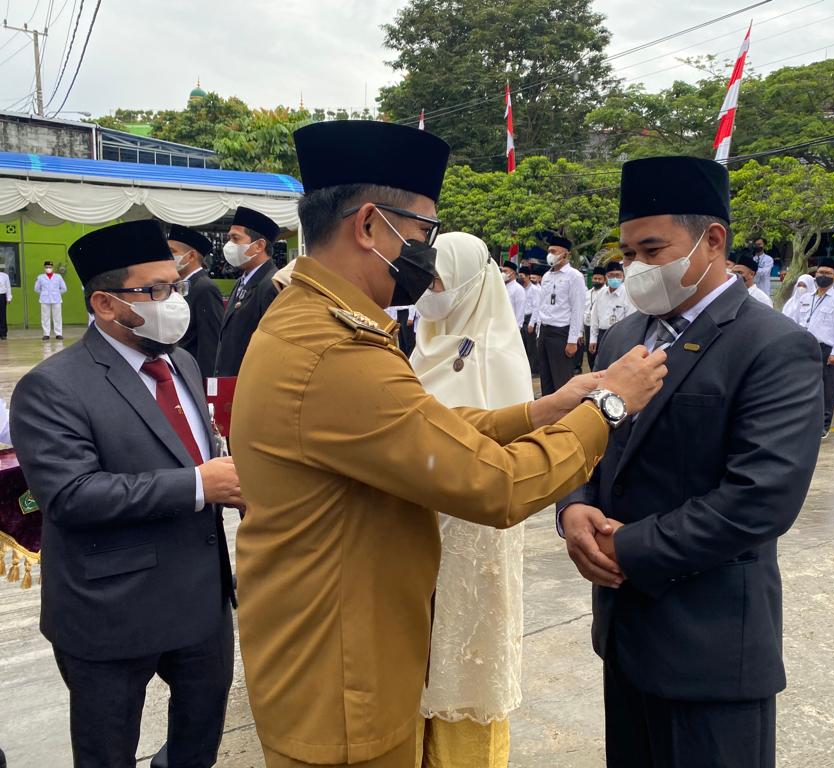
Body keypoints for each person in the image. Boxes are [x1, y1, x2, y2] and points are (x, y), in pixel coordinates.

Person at [228, 120, 667, 768]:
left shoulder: (312, 322)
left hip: (332, 654)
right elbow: (493, 483)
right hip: (344, 686)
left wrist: (543, 409)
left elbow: (423, 427)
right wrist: (609, 405)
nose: (424, 258)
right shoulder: (335, 350)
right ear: (371, 226)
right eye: (422, 233)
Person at [559, 155, 823, 768]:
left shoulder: (774, 345)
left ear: (713, 241)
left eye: (653, 250)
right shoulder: (627, 336)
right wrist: (574, 507)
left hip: (710, 644)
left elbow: (761, 497)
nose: (637, 269)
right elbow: (591, 439)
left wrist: (629, 549)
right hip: (625, 633)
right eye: (627, 254)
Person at [9, 220, 240, 768]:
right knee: (107, 753)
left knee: (197, 744)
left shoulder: (179, 361)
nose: (173, 301)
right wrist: (197, 485)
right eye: (155, 290)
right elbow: (70, 495)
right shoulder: (53, 387)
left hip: (202, 599)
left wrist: (229, 483)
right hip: (111, 608)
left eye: (175, 285)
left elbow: (190, 453)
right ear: (106, 304)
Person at [410, 232, 533, 768]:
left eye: (438, 282)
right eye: (425, 281)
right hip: (413, 527)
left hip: (471, 536)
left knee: (465, 660)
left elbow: (509, 457)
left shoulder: (496, 352)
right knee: (416, 656)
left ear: (467, 285)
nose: (429, 293)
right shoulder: (424, 341)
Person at [213, 207, 280, 377]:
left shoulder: (271, 285)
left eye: (235, 238)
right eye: (229, 239)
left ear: (259, 245)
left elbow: (271, 348)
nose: (229, 245)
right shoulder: (241, 281)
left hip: (249, 381)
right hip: (231, 380)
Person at [795, 257, 834, 438]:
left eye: (827, 273)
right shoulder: (805, 298)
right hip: (804, 347)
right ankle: (804, 421)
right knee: (803, 385)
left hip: (825, 349)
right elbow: (797, 323)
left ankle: (824, 424)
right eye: (820, 272)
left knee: (826, 388)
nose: (823, 276)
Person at [167, 224, 224, 380]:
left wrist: (204, 384)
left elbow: (210, 343)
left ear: (191, 256)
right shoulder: (180, 285)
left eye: (172, 252)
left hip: (192, 374)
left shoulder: (204, 288)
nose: (167, 257)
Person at [535, 236, 587, 395]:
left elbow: (578, 309)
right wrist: (538, 332)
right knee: (546, 378)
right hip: (544, 332)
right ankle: (548, 414)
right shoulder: (546, 276)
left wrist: (572, 340)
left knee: (562, 380)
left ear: (565, 254)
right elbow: (541, 304)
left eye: (553, 251)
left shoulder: (574, 276)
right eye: (549, 251)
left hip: (560, 333)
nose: (550, 254)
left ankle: (565, 415)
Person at [588, 261, 634, 368]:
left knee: (616, 367)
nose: (615, 278)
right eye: (611, 276)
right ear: (606, 277)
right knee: (600, 366)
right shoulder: (601, 294)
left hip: (619, 336)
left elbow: (630, 321)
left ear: (623, 277)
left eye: (618, 275)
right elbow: (594, 318)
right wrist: (593, 339)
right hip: (602, 335)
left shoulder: (627, 294)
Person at [35, 260, 67, 340]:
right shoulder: (40, 277)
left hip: (56, 299)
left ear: (52, 268)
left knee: (57, 317)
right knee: (45, 317)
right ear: (44, 268)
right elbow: (36, 289)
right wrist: (44, 293)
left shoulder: (58, 277)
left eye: (49, 267)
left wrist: (56, 293)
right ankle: (46, 334)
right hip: (44, 299)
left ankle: (58, 333)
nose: (48, 268)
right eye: (46, 267)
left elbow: (64, 288)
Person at [582, 265, 606, 370]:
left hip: (601, 328)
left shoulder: (606, 293)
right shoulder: (587, 294)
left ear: (604, 280)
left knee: (601, 356)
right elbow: (582, 311)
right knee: (590, 355)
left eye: (599, 279)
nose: (596, 281)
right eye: (595, 278)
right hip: (588, 327)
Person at [520, 264, 541, 374]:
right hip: (521, 318)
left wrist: (532, 323)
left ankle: (535, 369)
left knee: (531, 346)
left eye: (522, 276)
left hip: (530, 318)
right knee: (523, 345)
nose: (521, 278)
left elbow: (537, 307)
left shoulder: (534, 290)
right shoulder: (520, 289)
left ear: (528, 276)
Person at [501, 259, 527, 328]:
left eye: (505, 271)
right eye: (502, 271)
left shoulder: (518, 289)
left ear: (512, 273)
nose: (502, 274)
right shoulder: (501, 287)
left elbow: (520, 312)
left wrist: (517, 329)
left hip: (511, 327)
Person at [0, 265, 11, 340]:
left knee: (2, 315)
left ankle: (3, 333)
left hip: (2, 296)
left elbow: (8, 287)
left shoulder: (5, 276)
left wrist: (9, 297)